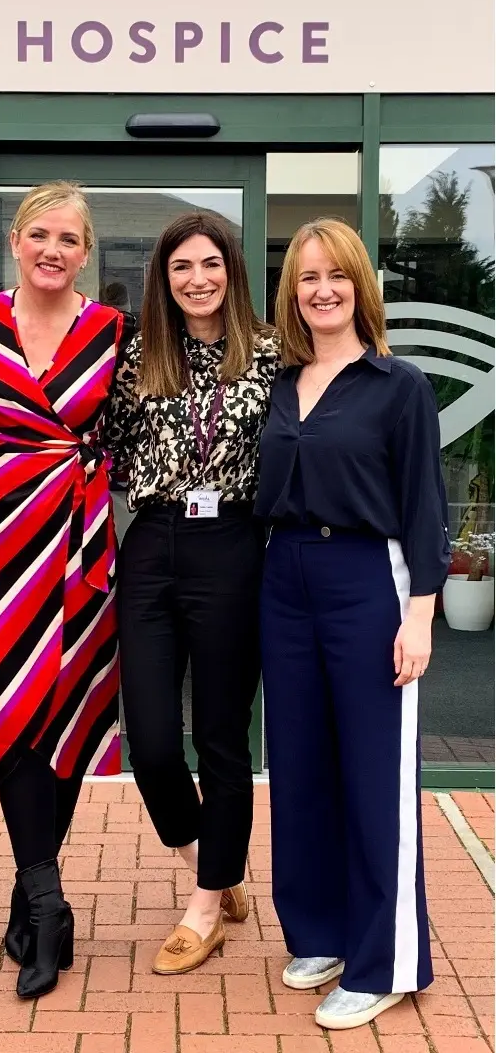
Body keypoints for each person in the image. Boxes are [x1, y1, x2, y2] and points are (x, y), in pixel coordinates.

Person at [255, 218, 450, 1031]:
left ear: (359, 286)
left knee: (374, 777)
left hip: (368, 580)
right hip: (284, 577)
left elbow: (423, 508)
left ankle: (387, 960)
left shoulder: (396, 386)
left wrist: (421, 619)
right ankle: (325, 932)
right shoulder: (277, 382)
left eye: (336, 275)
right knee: (300, 769)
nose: (322, 290)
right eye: (307, 278)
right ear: (291, 293)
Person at [0, 181, 129, 1000]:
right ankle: (50, 902)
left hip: (81, 548)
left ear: (86, 253)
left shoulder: (113, 332)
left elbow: (127, 437)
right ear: (15, 242)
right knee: (11, 711)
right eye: (39, 235)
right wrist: (7, 482)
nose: (53, 249)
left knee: (63, 719)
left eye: (69, 239)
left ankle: (34, 898)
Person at [105, 210, 278, 975]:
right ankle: (216, 858)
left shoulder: (273, 354)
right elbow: (95, 446)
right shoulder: (138, 354)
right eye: (181, 268)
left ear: (231, 270)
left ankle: (207, 903)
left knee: (219, 736)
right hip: (151, 543)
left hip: (233, 551)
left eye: (210, 264)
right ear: (163, 279)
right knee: (148, 740)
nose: (197, 279)